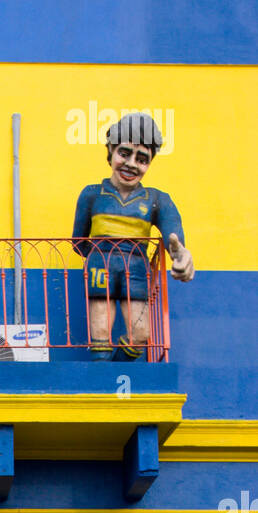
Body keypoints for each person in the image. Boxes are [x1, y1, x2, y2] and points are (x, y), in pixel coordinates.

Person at [72, 112, 194, 362]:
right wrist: (97, 256)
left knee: (140, 334)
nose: (131, 164)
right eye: (124, 153)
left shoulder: (157, 199)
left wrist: (180, 254)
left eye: (142, 159)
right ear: (110, 151)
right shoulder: (92, 194)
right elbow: (78, 240)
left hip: (137, 268)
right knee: (100, 334)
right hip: (100, 265)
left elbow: (173, 235)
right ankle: (103, 376)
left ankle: (118, 371)